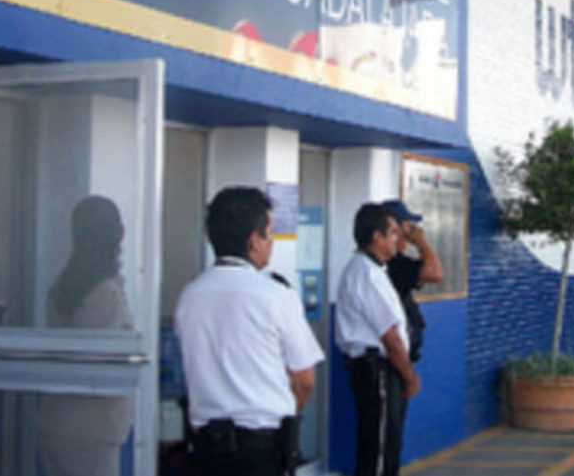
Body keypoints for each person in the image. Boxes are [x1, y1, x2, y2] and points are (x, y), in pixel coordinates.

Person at [175, 187, 324, 476]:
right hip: (260, 450)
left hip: (205, 450)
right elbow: (304, 380)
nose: (272, 242)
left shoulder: (189, 297)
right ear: (254, 241)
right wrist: (286, 417)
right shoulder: (276, 296)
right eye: (270, 233)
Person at [37, 196, 134, 476]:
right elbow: (99, 365)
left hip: (56, 421)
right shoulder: (105, 294)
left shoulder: (61, 288)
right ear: (120, 234)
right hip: (93, 430)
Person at [336, 203, 420, 476]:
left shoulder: (373, 270)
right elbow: (391, 339)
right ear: (377, 237)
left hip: (378, 370)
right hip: (378, 371)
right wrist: (409, 376)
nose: (398, 238)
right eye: (393, 233)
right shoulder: (367, 274)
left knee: (383, 442)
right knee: (381, 449)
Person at [382, 199, 444, 363]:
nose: (411, 232)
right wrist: (421, 242)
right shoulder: (392, 264)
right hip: (393, 359)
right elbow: (435, 273)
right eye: (407, 227)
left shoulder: (392, 261)